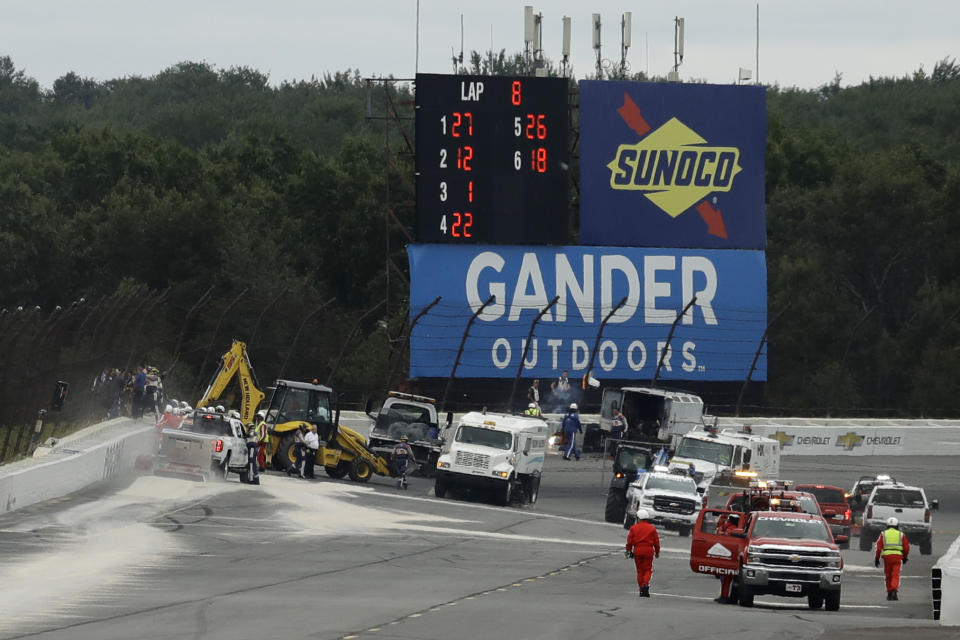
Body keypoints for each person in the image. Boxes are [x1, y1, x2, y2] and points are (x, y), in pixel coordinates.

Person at [625, 508, 660, 597]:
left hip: (638, 550)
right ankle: (645, 584)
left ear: (639, 518)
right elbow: (656, 542)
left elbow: (630, 541)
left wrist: (628, 550)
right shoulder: (652, 528)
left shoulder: (633, 528)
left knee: (640, 571)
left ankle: (641, 589)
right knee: (648, 569)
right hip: (648, 551)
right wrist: (657, 552)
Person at [875, 516, 910, 601]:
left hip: (887, 557)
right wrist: (905, 557)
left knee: (888, 575)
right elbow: (906, 548)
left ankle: (889, 593)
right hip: (897, 557)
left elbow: (879, 547)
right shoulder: (901, 534)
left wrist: (877, 558)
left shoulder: (883, 534)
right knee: (895, 575)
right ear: (897, 525)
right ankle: (894, 589)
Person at [715, 513, 742, 603]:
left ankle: (726, 596)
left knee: (727, 578)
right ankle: (726, 596)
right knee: (728, 578)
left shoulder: (723, 528)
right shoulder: (733, 529)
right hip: (730, 555)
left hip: (725, 554)